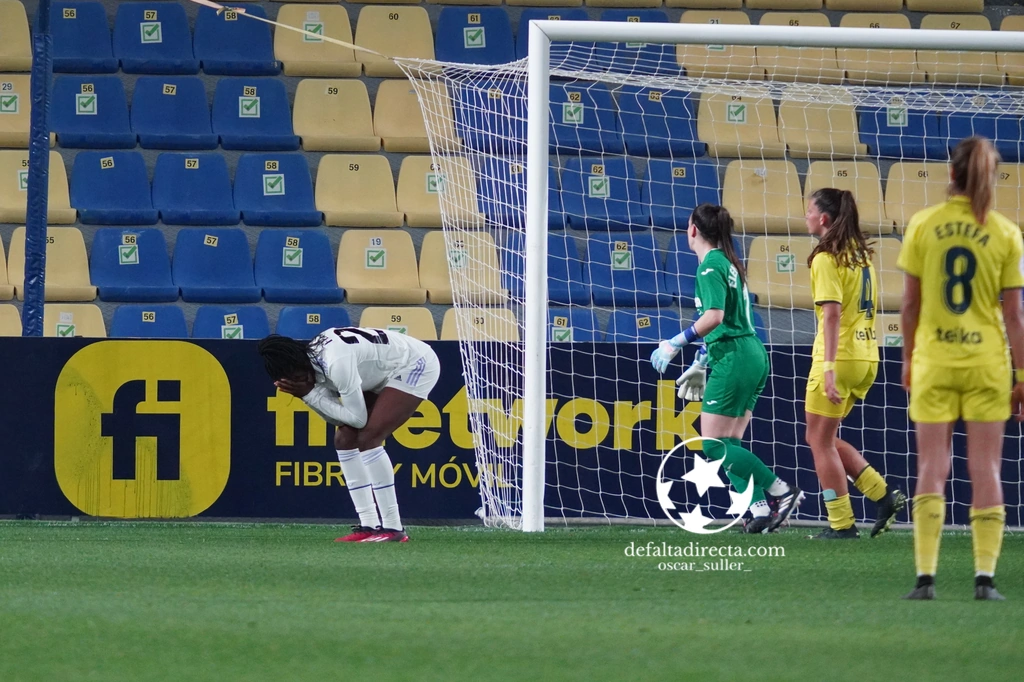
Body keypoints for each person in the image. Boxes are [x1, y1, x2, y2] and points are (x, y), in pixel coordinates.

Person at [898, 136, 1024, 600]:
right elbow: (1015, 316)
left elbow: (909, 305)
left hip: (934, 361)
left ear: (950, 174)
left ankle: (925, 579)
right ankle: (984, 580)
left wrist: (908, 358)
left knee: (932, 466)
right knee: (986, 468)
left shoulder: (923, 224)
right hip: (987, 364)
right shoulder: (1006, 232)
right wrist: (1022, 377)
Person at [652, 203, 803, 533]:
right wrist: (702, 358)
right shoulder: (729, 263)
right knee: (730, 442)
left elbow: (715, 317)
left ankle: (782, 491)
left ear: (693, 230)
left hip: (735, 356)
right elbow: (732, 318)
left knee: (713, 445)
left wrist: (676, 342)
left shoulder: (709, 268)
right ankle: (759, 509)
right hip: (749, 352)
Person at [258, 327, 441, 543]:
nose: (301, 382)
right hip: (381, 370)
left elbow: (357, 419)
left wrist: (309, 394)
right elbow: (338, 419)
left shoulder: (336, 363)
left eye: (298, 378)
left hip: (414, 362)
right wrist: (309, 395)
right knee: (344, 439)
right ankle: (369, 525)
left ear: (301, 364)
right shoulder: (312, 363)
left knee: (369, 437)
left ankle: (394, 528)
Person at [803, 188, 906, 540]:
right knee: (824, 438)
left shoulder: (825, 258)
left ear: (823, 219)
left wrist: (829, 367)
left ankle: (842, 524)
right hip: (867, 355)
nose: (806, 216)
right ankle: (883, 495)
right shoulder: (860, 255)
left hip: (839, 357)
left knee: (819, 442)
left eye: (809, 211)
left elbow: (832, 314)